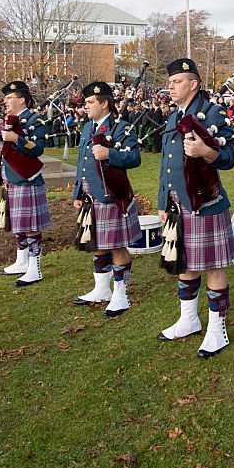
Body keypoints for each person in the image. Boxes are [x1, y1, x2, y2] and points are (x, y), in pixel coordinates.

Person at [156, 57, 234, 358]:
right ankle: (189, 319)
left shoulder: (213, 112)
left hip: (205, 202)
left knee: (213, 266)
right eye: (170, 82)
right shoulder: (172, 116)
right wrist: (163, 201)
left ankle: (218, 330)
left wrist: (206, 151)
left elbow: (228, 158)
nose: (171, 87)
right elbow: (166, 163)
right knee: (185, 263)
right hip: (178, 204)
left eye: (176, 82)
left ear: (193, 84)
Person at [71, 81, 142, 316]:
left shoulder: (121, 127)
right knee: (98, 244)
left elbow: (134, 158)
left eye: (90, 102)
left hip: (112, 194)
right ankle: (101, 289)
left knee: (116, 245)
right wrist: (78, 192)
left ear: (104, 103)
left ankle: (121, 295)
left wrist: (109, 154)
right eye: (86, 102)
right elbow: (82, 163)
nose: (86, 105)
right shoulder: (87, 127)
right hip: (91, 195)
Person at [0, 80, 51, 286]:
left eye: (10, 97)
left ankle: (34, 269)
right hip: (12, 177)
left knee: (30, 226)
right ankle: (21, 262)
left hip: (27, 178)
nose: (6, 101)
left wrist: (16, 138)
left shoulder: (34, 119)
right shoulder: (12, 119)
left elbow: (37, 149)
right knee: (18, 224)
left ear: (21, 99)